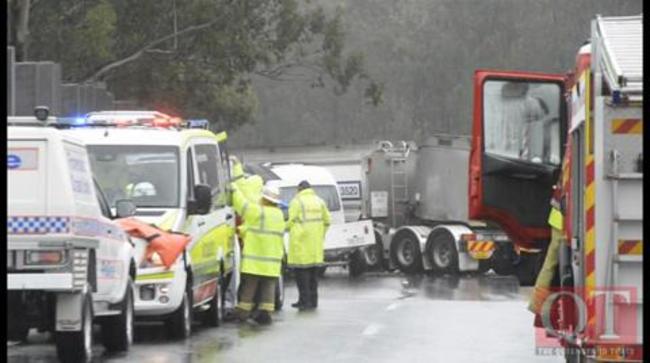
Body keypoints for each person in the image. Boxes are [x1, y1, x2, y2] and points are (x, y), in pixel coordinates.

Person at [231, 182, 286, 325]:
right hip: (272, 260)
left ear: (264, 199)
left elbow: (241, 205)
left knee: (249, 287)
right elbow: (257, 228)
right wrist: (245, 230)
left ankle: (243, 313)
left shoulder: (258, 211)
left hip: (255, 260)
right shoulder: (279, 215)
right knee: (268, 288)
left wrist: (234, 188)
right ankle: (265, 313)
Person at [287, 180, 331, 310]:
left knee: (301, 276)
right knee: (313, 276)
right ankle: (313, 301)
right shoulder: (320, 201)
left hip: (301, 244)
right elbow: (327, 221)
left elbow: (290, 221)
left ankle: (304, 301)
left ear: (299, 189)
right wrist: (320, 234)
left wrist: (280, 227)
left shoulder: (297, 202)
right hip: (316, 245)